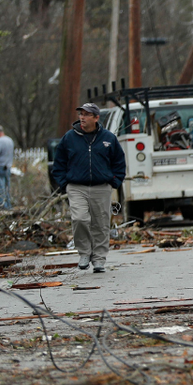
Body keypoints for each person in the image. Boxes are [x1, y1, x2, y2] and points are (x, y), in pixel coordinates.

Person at [51, 102, 125, 273]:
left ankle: (99, 259)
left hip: (102, 187)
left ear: (96, 118)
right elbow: (59, 163)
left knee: (101, 224)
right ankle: (85, 252)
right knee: (80, 219)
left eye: (86, 114)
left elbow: (119, 162)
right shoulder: (69, 138)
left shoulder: (108, 138)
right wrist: (64, 183)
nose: (82, 118)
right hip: (77, 187)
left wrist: (114, 181)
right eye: (81, 114)